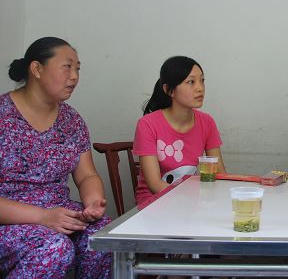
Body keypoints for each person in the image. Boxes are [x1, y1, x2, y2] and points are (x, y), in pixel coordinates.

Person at [0, 37, 111, 278]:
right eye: (67, 67)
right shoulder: (2, 115)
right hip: (10, 221)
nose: (74, 76)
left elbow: (87, 175)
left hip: (60, 213)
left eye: (77, 69)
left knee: (104, 237)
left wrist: (93, 202)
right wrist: (42, 217)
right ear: (37, 69)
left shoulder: (72, 120)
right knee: (54, 248)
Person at [133, 56, 226, 206]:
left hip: (192, 201)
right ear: (168, 90)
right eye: (191, 82)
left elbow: (220, 173)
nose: (200, 88)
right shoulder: (147, 124)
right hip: (155, 202)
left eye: (202, 80)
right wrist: (189, 202)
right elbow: (155, 184)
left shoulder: (207, 122)